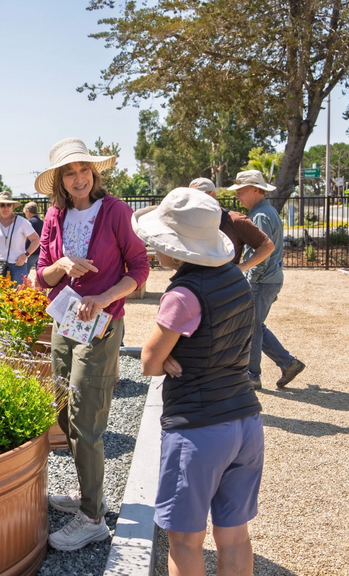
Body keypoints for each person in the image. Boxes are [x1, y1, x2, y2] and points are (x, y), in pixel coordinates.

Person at [133, 187, 263, 576]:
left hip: (198, 429)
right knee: (235, 535)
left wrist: (169, 356)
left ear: (175, 246)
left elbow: (149, 362)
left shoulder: (183, 294)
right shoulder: (236, 279)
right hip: (245, 420)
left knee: (185, 542)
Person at [33, 138, 150, 551]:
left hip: (102, 326)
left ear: (94, 173)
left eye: (84, 169)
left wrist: (103, 298)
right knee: (64, 414)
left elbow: (140, 266)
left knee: (86, 418)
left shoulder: (116, 211)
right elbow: (40, 276)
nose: (79, 177)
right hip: (64, 324)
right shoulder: (54, 215)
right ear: (60, 182)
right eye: (70, 172)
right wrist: (61, 265)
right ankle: (89, 496)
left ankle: (93, 518)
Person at [228, 170, 306, 389]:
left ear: (255, 190)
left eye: (241, 191)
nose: (238, 196)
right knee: (255, 325)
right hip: (268, 279)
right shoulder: (264, 211)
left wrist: (247, 277)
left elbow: (262, 253)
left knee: (252, 328)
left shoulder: (260, 215)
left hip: (261, 280)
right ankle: (288, 364)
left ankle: (253, 375)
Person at [189, 178, 275, 273]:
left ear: (212, 196)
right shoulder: (188, 222)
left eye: (198, 197)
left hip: (225, 285)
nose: (194, 201)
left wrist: (243, 267)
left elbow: (267, 246)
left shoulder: (235, 220)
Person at [0, 192, 39, 285]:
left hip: (18, 265)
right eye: (2, 205)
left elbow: (36, 240)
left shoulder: (22, 222)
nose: (6, 208)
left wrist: (26, 255)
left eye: (8, 205)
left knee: (18, 297)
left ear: (12, 206)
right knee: (0, 297)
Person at [24, 201, 44, 277]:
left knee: (24, 272)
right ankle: (40, 288)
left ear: (28, 211)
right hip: (40, 251)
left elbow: (27, 239)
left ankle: (24, 287)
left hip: (30, 252)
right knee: (39, 273)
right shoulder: (41, 222)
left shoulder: (28, 222)